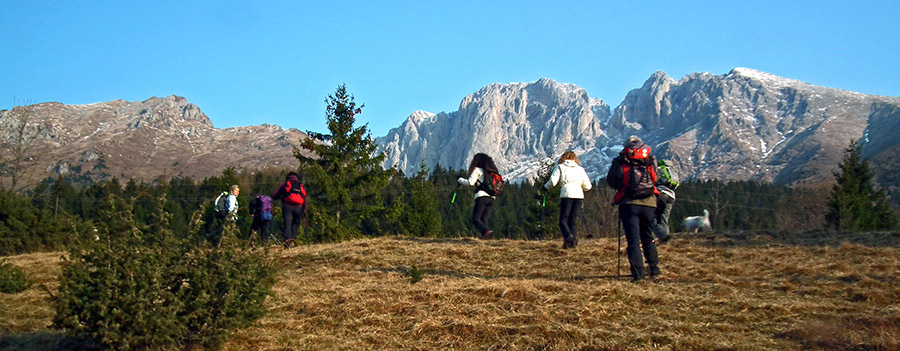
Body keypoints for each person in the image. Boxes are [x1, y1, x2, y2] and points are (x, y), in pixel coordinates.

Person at [606, 136, 661, 281]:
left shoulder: (622, 160)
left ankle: (638, 274)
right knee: (648, 236)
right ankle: (654, 269)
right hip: (650, 203)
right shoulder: (648, 158)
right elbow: (656, 178)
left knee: (633, 240)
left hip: (629, 204)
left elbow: (612, 181)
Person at [544, 151, 593, 249]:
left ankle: (568, 236)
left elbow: (553, 182)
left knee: (563, 220)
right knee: (572, 220)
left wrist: (545, 187)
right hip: (579, 195)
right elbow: (588, 186)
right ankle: (573, 244)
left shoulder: (560, 167)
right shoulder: (580, 169)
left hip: (566, 194)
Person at [458, 153, 500, 240]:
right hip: (492, 198)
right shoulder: (491, 172)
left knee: (476, 218)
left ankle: (486, 232)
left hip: (481, 197)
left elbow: (470, 183)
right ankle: (486, 237)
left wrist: (460, 180)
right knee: (484, 219)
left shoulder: (477, 170)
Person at [271, 172, 307, 248]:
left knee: (287, 224)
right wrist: (304, 210)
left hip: (287, 206)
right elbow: (305, 198)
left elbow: (275, 195)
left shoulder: (285, 185)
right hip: (298, 208)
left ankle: (287, 242)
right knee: (295, 225)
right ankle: (293, 241)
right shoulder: (300, 186)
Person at [652, 159, 679, 243]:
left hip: (660, 194)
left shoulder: (659, 170)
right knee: (664, 219)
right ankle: (666, 241)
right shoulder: (673, 171)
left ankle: (663, 238)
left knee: (652, 219)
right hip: (671, 196)